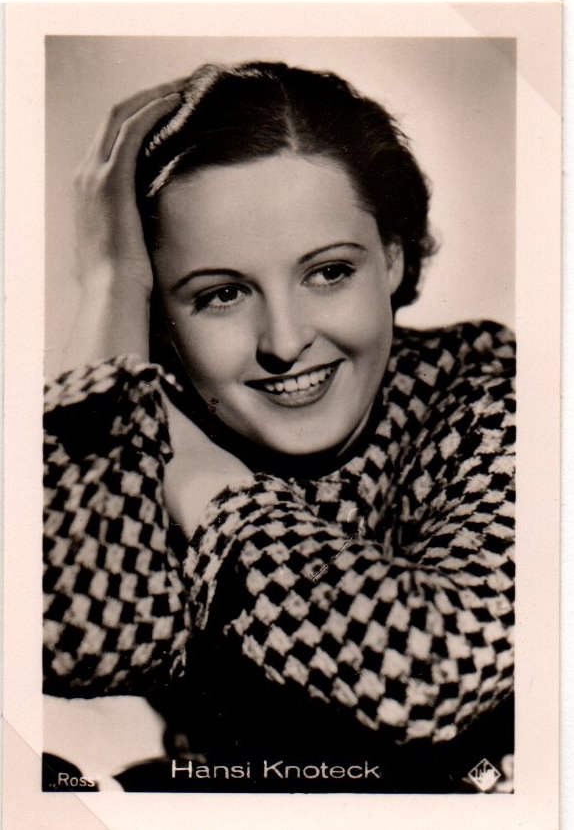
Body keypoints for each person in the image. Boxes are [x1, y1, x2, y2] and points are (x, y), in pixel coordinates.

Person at [43, 61, 515, 793]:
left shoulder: (487, 395)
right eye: (222, 294)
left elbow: (432, 675)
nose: (286, 342)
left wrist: (201, 483)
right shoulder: (147, 420)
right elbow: (81, 642)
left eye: (328, 273)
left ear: (392, 258)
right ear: (160, 314)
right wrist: (109, 283)